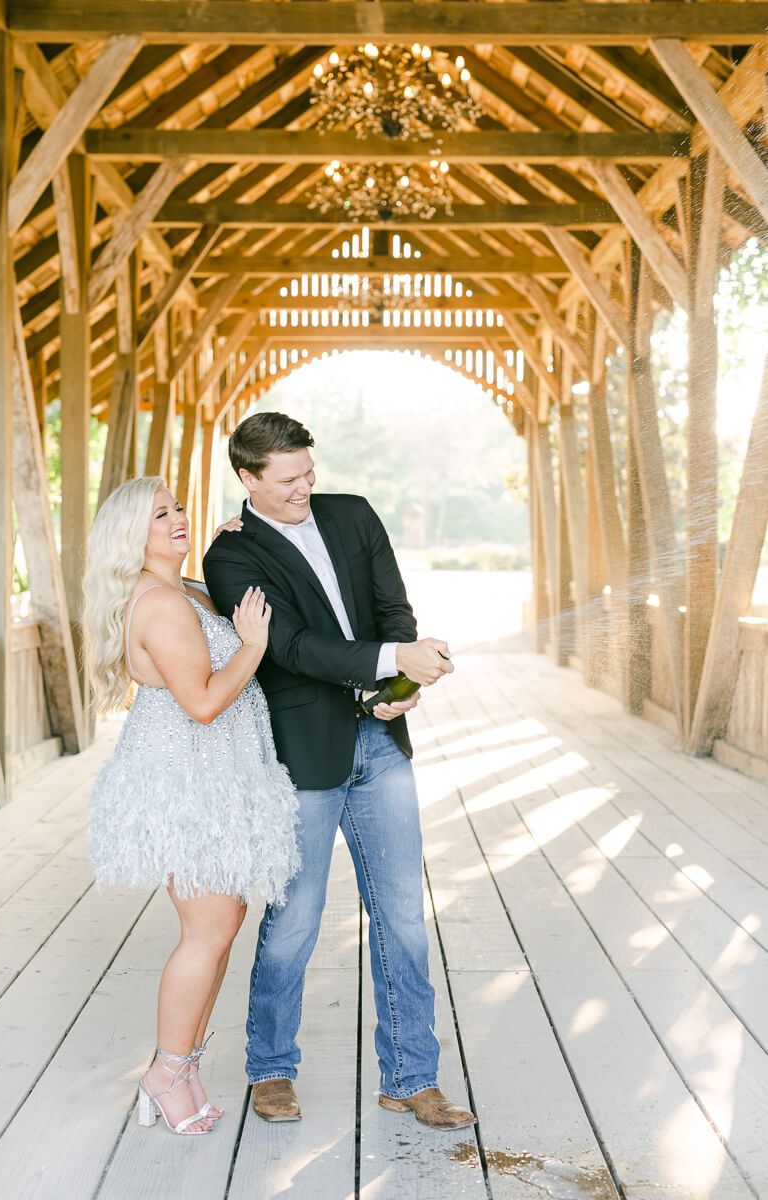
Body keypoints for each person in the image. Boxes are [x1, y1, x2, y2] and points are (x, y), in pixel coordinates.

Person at [203, 412, 476, 1131]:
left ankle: (412, 1078)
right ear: (247, 478)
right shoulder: (231, 559)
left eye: (309, 472)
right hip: (303, 755)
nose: (305, 488)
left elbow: (392, 611)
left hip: (382, 742)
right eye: (288, 479)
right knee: (293, 920)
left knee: (404, 919)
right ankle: (270, 1069)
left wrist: (405, 681)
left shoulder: (353, 516)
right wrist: (392, 662)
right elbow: (290, 648)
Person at [83, 476, 299, 1137]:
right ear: (131, 535)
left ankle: (186, 1063)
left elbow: (218, 605)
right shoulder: (162, 605)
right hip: (189, 781)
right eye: (160, 515)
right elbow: (202, 702)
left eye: (178, 507)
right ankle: (165, 1072)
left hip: (209, 775)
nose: (177, 518)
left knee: (223, 922)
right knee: (206, 932)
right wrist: (256, 647)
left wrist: (240, 543)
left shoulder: (180, 592)